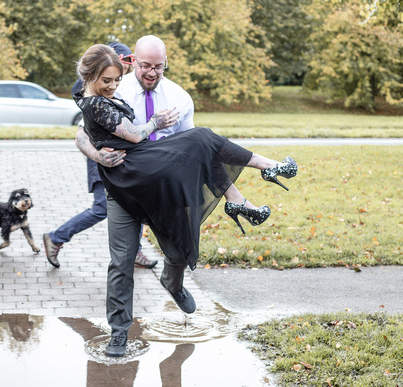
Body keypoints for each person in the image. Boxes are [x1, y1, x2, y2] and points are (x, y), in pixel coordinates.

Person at [74, 40, 298, 357]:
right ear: (133, 61)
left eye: (158, 66)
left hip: (166, 187)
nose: (151, 72)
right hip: (124, 189)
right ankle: (119, 333)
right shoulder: (110, 83)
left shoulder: (179, 97)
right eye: (145, 65)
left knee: (179, 254)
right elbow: (81, 131)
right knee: (121, 264)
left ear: (166, 63)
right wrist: (96, 153)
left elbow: (202, 154)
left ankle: (174, 282)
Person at [43, 42, 158, 270]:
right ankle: (56, 237)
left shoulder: (123, 85)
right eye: (128, 61)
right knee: (102, 207)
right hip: (104, 157)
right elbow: (82, 131)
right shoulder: (96, 90)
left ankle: (135, 251)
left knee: (131, 204)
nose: (131, 67)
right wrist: (97, 156)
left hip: (126, 159)